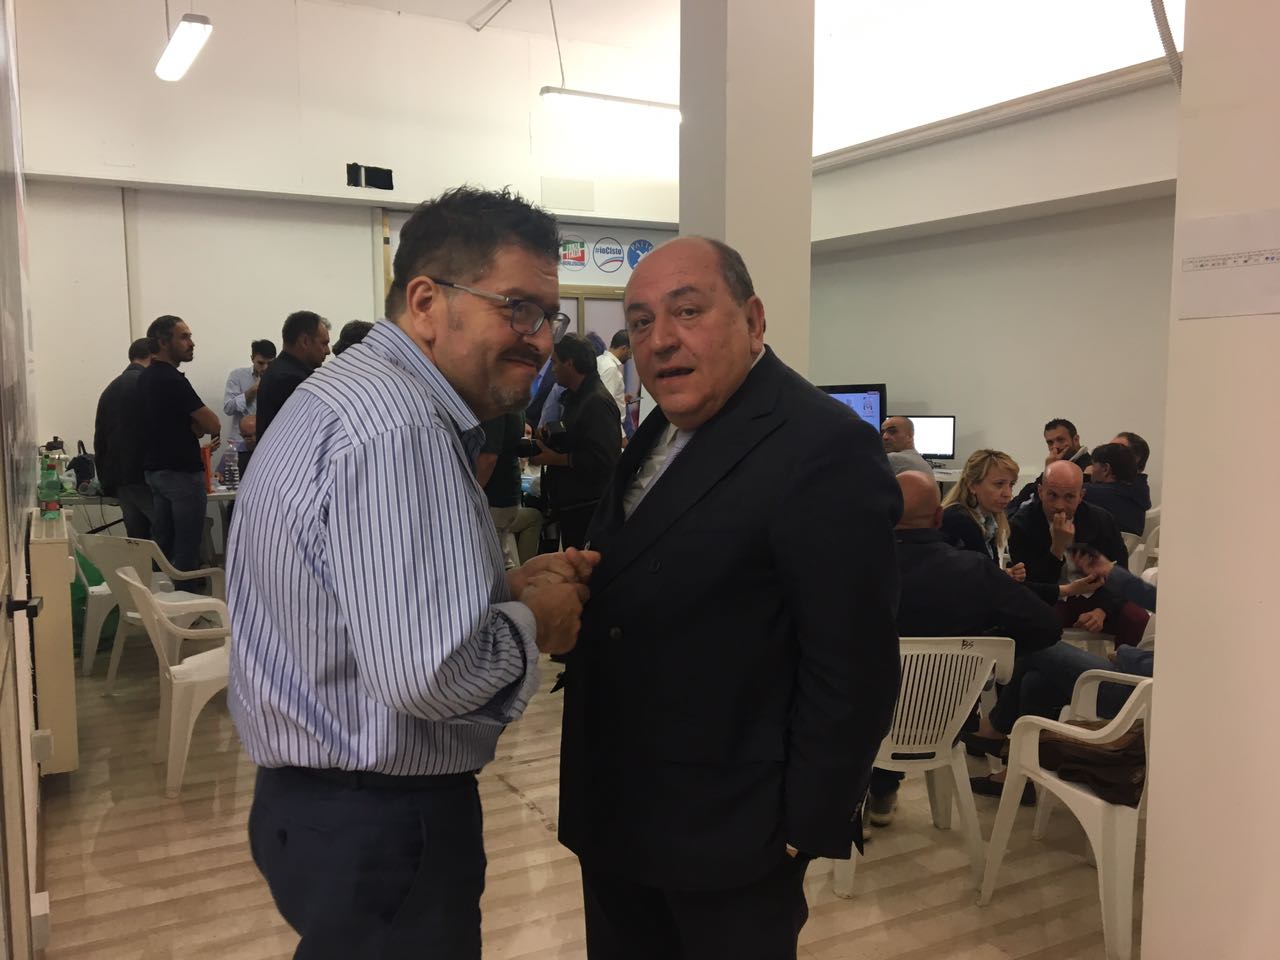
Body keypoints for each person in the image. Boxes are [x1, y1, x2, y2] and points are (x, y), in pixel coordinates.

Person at [228, 186, 594, 958]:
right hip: (381, 825)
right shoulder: (399, 428)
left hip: (325, 810)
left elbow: (361, 607)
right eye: (517, 309)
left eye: (548, 317)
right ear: (427, 302)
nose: (538, 339)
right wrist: (539, 621)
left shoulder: (352, 398)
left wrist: (502, 591)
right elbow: (430, 672)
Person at [558, 237, 902, 960]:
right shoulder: (660, 426)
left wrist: (801, 827)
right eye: (642, 322)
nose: (661, 339)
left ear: (753, 320)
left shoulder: (822, 444)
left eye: (687, 311)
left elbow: (854, 664)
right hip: (618, 804)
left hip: (730, 831)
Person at [868, 471, 1061, 824]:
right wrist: (988, 648)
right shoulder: (974, 570)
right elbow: (1047, 626)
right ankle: (882, 790)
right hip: (948, 718)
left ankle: (870, 793)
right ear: (938, 517)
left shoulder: (855, 570)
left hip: (864, 720)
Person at [1009, 460, 1149, 646]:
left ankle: (1121, 662)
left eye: (1069, 497)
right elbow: (1032, 586)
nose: (1059, 505)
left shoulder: (1101, 520)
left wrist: (1103, 610)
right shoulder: (1022, 525)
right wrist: (1057, 548)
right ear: (1041, 492)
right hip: (1053, 597)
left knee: (1138, 619)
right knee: (1033, 623)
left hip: (1096, 595)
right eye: (1052, 495)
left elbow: (1120, 571)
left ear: (1081, 496)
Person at [137, 316, 221, 571]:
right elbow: (212, 424)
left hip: (156, 471)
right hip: (181, 474)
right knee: (187, 548)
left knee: (163, 546)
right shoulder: (173, 380)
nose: (191, 343)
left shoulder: (145, 378)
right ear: (163, 342)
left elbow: (188, 424)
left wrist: (194, 424)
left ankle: (160, 593)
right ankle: (187, 595)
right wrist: (197, 425)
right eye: (184, 337)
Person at [531, 334, 621, 550]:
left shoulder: (596, 402)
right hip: (572, 504)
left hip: (588, 507)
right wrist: (552, 434)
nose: (553, 370)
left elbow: (604, 459)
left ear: (569, 363)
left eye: (555, 363)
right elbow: (579, 437)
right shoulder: (576, 397)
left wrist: (556, 459)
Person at [93, 338, 155, 538]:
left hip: (120, 479)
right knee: (166, 540)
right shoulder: (148, 385)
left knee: (138, 543)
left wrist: (106, 480)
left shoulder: (110, 389)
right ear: (153, 356)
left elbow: (100, 438)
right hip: (146, 477)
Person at [477, 409, 541, 567]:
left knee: (492, 563)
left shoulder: (496, 406)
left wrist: (468, 495)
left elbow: (488, 459)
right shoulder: (512, 405)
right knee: (500, 558)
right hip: (504, 494)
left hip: (494, 496)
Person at [940, 448, 1022, 571]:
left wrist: (1003, 576)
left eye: (1011, 485)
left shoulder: (989, 521)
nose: (1008, 494)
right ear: (972, 485)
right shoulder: (957, 520)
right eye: (999, 484)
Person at [255, 310, 331, 439]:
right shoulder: (291, 380)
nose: (328, 351)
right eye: (324, 344)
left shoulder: (280, 370)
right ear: (305, 341)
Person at [1006, 418, 1092, 517]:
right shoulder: (1057, 463)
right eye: (1050, 442)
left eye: (1060, 440)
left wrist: (1050, 469)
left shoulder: (1089, 469)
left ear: (1076, 440)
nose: (1055, 446)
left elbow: (1039, 501)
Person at [222, 339, 275, 464]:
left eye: (270, 363)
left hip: (267, 443)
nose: (265, 368)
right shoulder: (237, 376)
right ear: (252, 359)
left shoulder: (279, 379)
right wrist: (253, 389)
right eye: (261, 363)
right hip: (240, 443)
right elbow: (228, 408)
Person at [1082, 442, 1148, 534]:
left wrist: (1084, 477)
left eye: (1093, 465)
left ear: (1105, 469)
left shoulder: (1088, 492)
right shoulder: (1140, 497)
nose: (1091, 470)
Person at [597, 329, 632, 428]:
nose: (631, 357)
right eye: (631, 352)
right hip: (610, 427)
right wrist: (621, 434)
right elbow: (606, 406)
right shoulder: (611, 369)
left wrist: (620, 398)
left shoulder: (600, 360)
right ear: (624, 348)